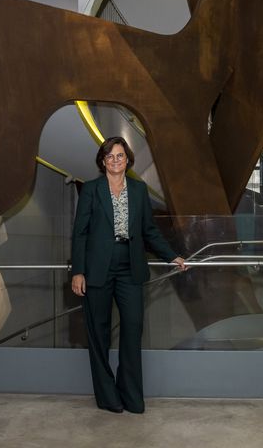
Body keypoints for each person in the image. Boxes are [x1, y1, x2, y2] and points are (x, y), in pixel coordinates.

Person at [71, 137, 187, 414]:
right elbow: (80, 233)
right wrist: (78, 271)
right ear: (103, 161)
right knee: (98, 333)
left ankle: (131, 394)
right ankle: (107, 396)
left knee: (133, 328)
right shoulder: (91, 189)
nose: (115, 160)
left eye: (120, 156)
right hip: (97, 269)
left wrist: (171, 256)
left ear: (127, 160)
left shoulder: (138, 189)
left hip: (130, 268)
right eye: (109, 156)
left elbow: (149, 231)